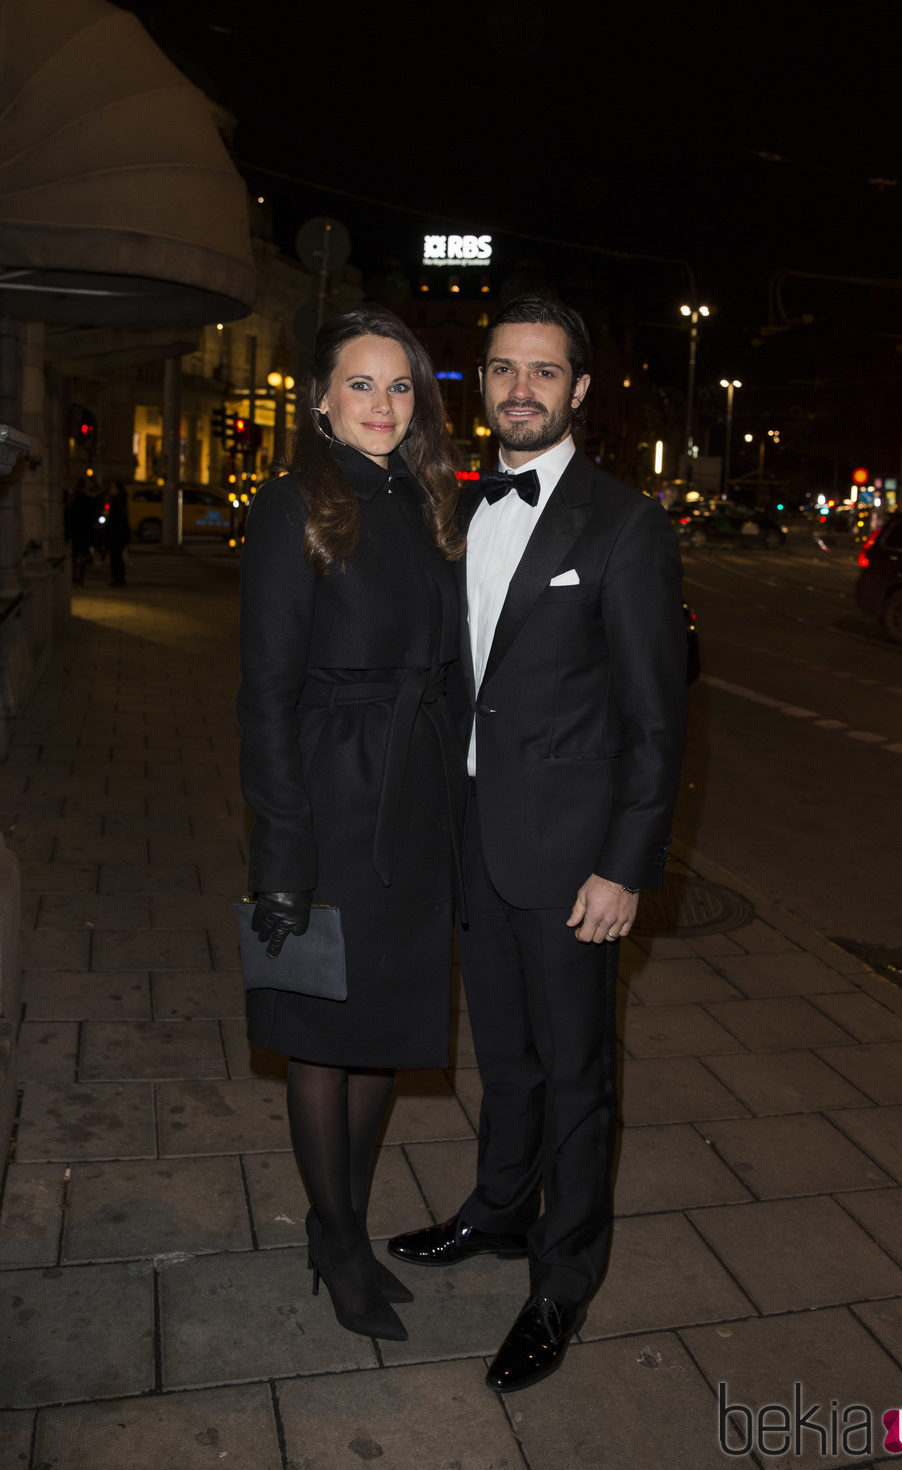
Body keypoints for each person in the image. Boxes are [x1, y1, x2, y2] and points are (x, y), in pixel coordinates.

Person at [388, 296, 689, 1390]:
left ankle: (562, 1281)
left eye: (544, 372)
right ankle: (498, 1211)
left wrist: (625, 866)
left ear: (578, 390)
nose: (521, 389)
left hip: (572, 861)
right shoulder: (460, 509)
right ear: (483, 382)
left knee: (574, 1077)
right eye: (504, 370)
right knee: (503, 1058)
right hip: (475, 840)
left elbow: (658, 721)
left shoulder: (623, 525)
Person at [237, 306, 466, 1343]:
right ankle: (335, 1244)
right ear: (321, 398)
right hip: (332, 804)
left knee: (384, 1033)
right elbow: (265, 692)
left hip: (413, 802)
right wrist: (281, 848)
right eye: (361, 384)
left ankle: (348, 1227)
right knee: (325, 1037)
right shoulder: (294, 505)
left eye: (400, 386)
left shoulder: (424, 505)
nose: (382, 404)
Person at [105, 481, 131, 586]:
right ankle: (119, 578)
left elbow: (116, 519)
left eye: (113, 488)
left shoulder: (117, 501)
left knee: (116, 558)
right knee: (118, 558)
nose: (111, 490)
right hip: (119, 534)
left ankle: (118, 579)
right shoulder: (120, 501)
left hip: (117, 534)